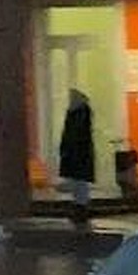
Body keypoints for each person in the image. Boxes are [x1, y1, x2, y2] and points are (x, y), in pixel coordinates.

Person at [59, 88, 94, 224]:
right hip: (77, 154)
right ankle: (79, 207)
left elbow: (74, 134)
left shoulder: (80, 111)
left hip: (78, 154)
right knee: (78, 181)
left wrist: (67, 149)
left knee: (79, 181)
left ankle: (81, 208)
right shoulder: (78, 111)